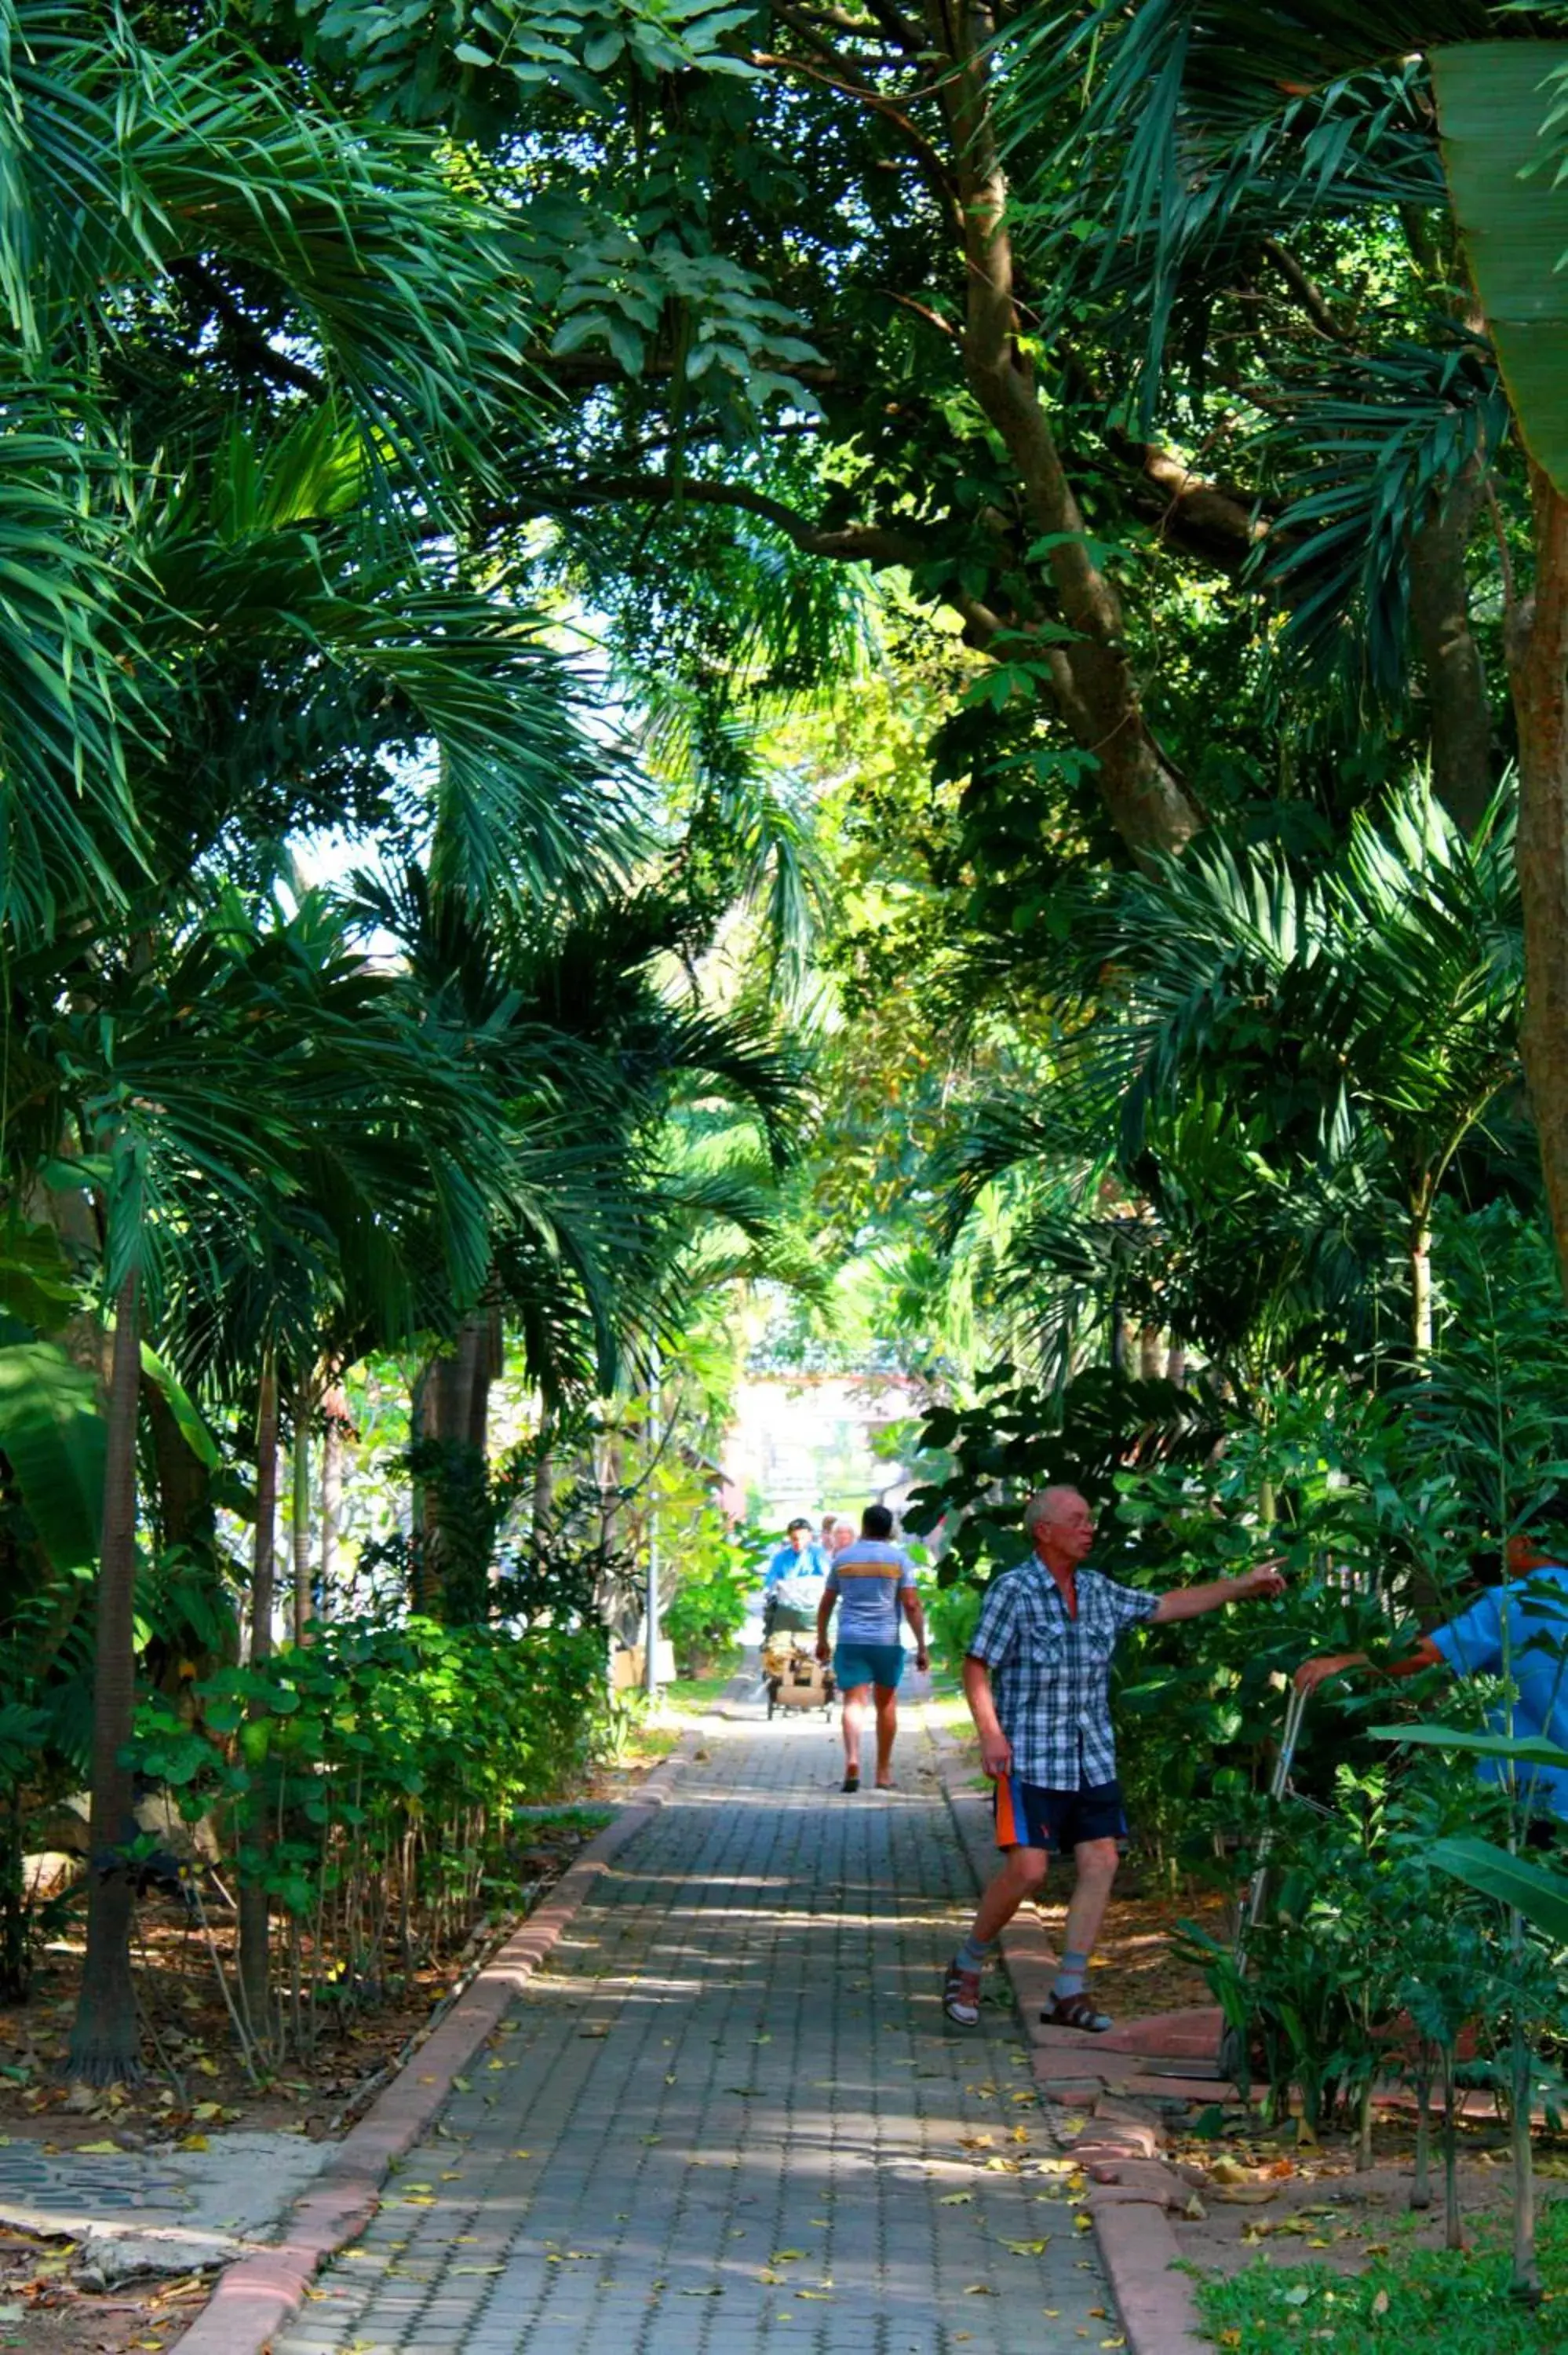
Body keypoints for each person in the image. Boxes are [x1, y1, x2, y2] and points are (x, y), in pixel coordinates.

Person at [944, 1485, 1285, 2031]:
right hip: (1029, 1756)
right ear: (1044, 1531)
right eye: (1077, 1520)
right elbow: (977, 1665)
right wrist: (990, 1733)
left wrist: (1242, 1586)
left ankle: (1069, 1992)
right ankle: (968, 1963)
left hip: (1091, 1756)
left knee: (1101, 1861)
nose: (1089, 1528)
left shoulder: (1098, 1591)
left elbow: (1169, 1605)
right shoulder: (1014, 1591)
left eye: (1090, 1518)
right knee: (1029, 1870)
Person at [1295, 1532, 1568, 1824]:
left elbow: (1424, 1655)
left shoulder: (1511, 1604)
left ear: (1524, 1543)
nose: (1501, 1550)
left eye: (1507, 1540)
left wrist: (1343, 1662)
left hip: (1531, 1795)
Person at [815, 1502, 929, 1792]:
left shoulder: (843, 1558)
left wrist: (822, 1639)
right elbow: (912, 1604)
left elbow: (827, 1602)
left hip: (851, 1640)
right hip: (886, 1641)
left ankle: (852, 1761)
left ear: (863, 1527)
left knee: (853, 1702)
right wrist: (922, 1645)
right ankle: (882, 1773)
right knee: (886, 1704)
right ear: (890, 1530)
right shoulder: (899, 1560)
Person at [763, 1517, 829, 1636]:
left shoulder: (818, 1554)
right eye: (794, 1539)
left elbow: (827, 1579)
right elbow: (770, 1581)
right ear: (789, 1538)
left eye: (802, 1538)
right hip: (787, 1607)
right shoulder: (781, 1557)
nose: (798, 1543)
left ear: (809, 1537)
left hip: (813, 1608)